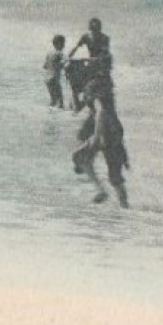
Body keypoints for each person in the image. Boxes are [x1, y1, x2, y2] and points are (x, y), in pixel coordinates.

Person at [72, 76, 129, 207]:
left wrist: (95, 139)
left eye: (89, 93)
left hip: (107, 141)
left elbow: (101, 119)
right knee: (115, 177)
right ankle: (115, 200)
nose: (87, 96)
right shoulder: (104, 107)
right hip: (109, 140)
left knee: (114, 177)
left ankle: (120, 203)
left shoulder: (101, 107)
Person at [43, 35, 67, 108]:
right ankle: (59, 116)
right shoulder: (59, 53)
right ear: (58, 44)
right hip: (54, 79)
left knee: (53, 100)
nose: (64, 45)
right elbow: (66, 60)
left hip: (47, 79)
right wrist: (62, 65)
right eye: (62, 43)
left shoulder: (49, 53)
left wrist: (54, 65)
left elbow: (45, 66)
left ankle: (50, 114)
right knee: (60, 101)